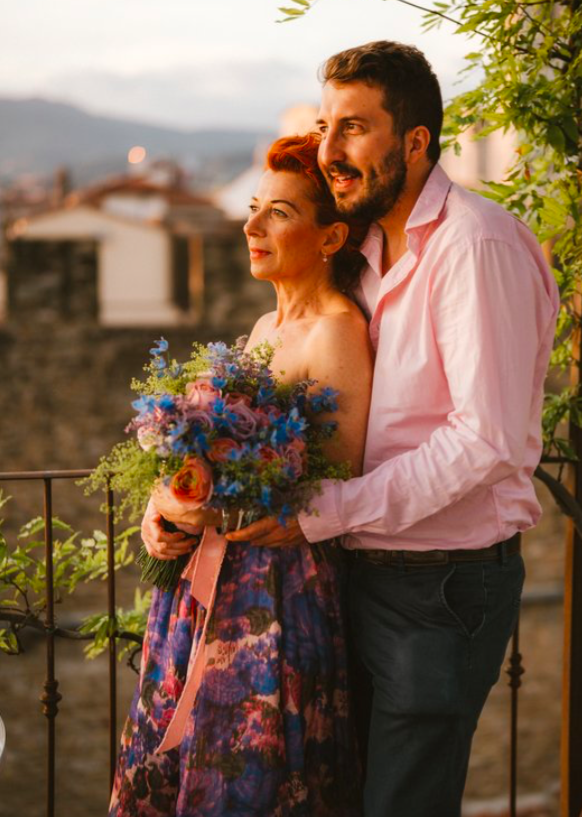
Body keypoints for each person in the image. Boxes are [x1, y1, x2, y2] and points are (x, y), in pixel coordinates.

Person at [218, 41, 560, 817]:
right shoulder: (366, 247)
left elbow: (487, 438)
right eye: (326, 125)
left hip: (438, 586)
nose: (332, 151)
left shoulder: (476, 246)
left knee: (402, 802)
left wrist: (323, 512)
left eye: (355, 129)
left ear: (415, 142)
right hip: (353, 574)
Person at [109, 134, 373, 817]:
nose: (251, 227)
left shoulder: (338, 332)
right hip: (204, 598)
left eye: (278, 213)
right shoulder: (262, 327)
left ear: (331, 235)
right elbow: (203, 457)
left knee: (249, 783)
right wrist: (163, 503)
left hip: (273, 607)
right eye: (254, 208)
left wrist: (216, 513)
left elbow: (330, 490)